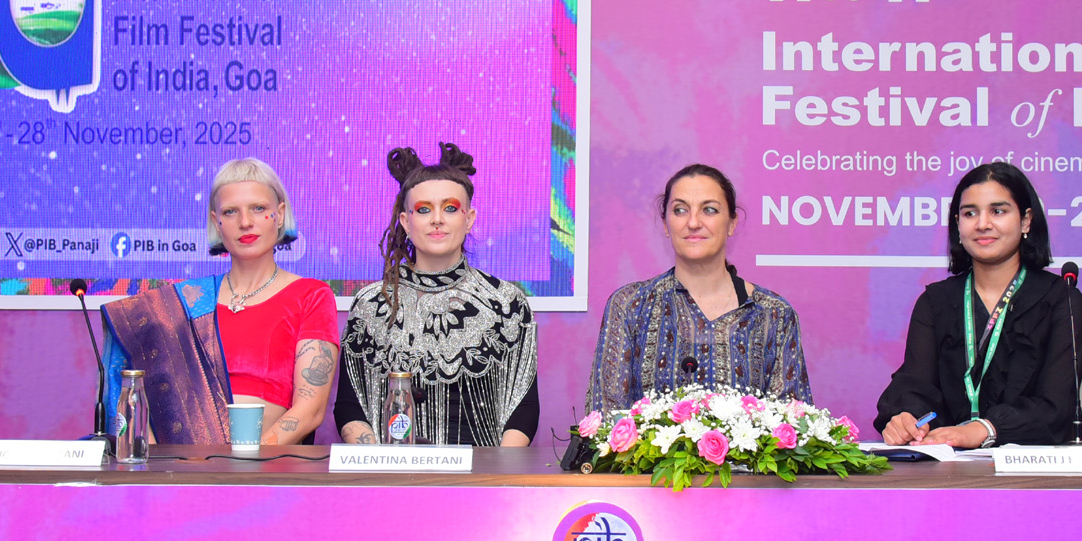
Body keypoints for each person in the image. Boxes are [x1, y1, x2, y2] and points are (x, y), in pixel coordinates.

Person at [103, 157, 340, 446]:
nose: (245, 222)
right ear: (217, 222)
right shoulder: (187, 302)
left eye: (258, 208)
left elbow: (310, 410)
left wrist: (243, 461)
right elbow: (134, 395)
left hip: (267, 465)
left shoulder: (310, 296)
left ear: (279, 215)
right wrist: (158, 464)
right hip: (181, 468)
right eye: (230, 212)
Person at [874, 161, 1082, 449]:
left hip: (1032, 465)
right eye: (970, 213)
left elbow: (1057, 406)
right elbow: (916, 384)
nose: (982, 224)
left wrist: (984, 430)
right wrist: (905, 418)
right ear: (958, 224)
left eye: (998, 211)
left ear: (1026, 220)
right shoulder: (935, 302)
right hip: (946, 463)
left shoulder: (1061, 300)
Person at [334, 143, 539, 447]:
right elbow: (350, 408)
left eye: (450, 208)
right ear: (406, 222)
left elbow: (524, 409)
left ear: (469, 219)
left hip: (482, 471)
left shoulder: (506, 303)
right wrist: (378, 463)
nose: (437, 219)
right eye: (424, 209)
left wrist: (497, 470)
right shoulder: (370, 304)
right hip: (390, 470)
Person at [584, 163, 812, 412]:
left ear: (732, 223)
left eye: (709, 210)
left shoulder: (773, 314)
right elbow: (607, 420)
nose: (693, 222)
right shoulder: (631, 305)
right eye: (680, 210)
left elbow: (792, 424)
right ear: (665, 224)